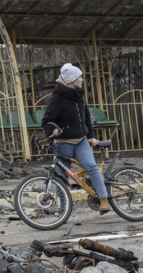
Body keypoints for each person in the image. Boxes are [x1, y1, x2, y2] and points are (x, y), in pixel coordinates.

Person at [41, 63, 110, 214]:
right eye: (79, 77)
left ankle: (104, 198)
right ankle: (61, 209)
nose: (82, 80)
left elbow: (86, 118)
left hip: (81, 141)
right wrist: (53, 130)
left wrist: (91, 136)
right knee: (60, 177)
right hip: (63, 143)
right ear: (72, 80)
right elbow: (46, 121)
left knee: (91, 167)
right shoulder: (58, 98)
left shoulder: (79, 95)